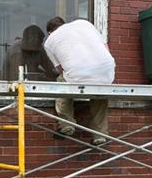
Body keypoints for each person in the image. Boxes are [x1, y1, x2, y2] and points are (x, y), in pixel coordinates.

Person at [43, 16, 115, 145]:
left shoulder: (49, 42)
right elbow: (106, 49)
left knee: (61, 81)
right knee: (100, 90)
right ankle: (100, 134)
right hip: (107, 71)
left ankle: (66, 124)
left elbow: (61, 69)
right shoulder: (85, 24)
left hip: (79, 73)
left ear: (49, 32)